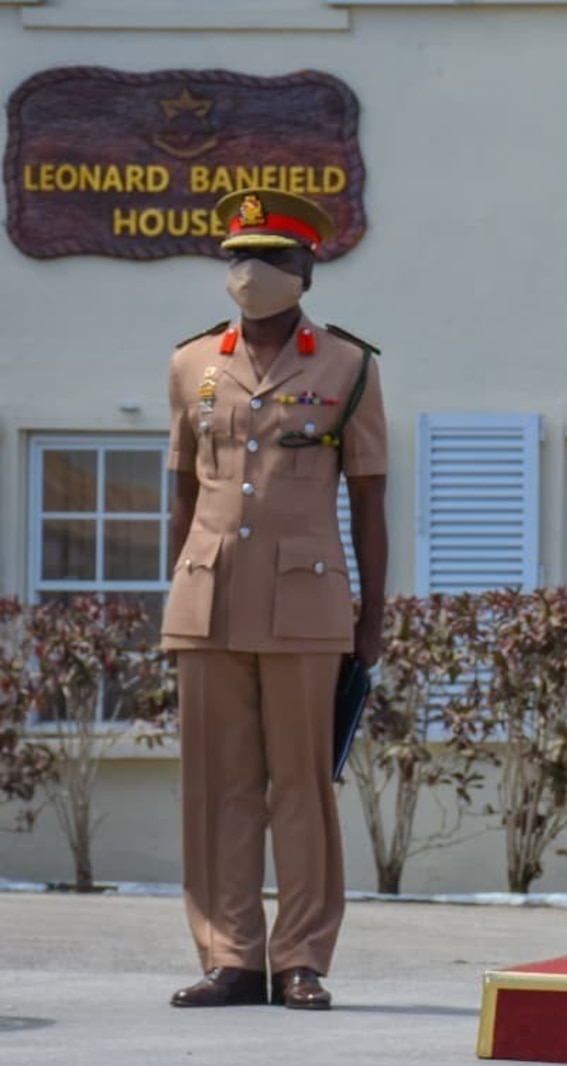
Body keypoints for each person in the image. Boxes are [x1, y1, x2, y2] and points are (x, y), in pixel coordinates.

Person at [161, 188, 389, 1010]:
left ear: (305, 272)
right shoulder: (192, 363)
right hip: (209, 600)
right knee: (217, 785)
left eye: (270, 260)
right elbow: (183, 494)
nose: (249, 274)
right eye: (237, 259)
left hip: (307, 602)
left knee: (300, 786)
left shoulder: (348, 365)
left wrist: (372, 620)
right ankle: (229, 955)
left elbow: (368, 501)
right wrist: (178, 590)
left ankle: (299, 959)